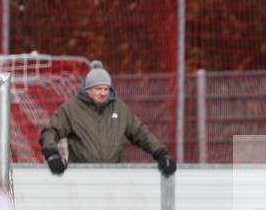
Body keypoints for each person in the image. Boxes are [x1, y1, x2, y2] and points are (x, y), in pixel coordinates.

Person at [39, 61, 176, 176]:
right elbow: (51, 131)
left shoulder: (119, 108)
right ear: (88, 90)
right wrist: (52, 154)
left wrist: (161, 153)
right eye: (98, 89)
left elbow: (140, 133)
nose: (103, 93)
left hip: (113, 176)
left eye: (106, 89)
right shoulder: (71, 109)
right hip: (81, 176)